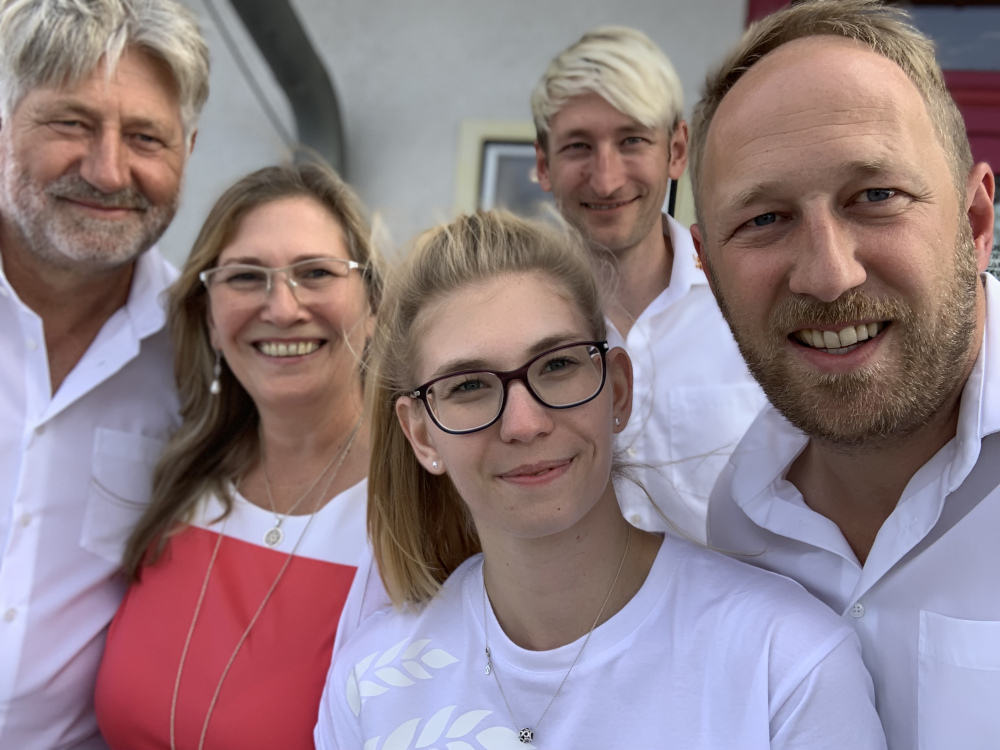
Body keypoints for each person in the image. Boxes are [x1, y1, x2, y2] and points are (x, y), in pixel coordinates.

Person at [315, 210, 886, 749]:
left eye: (557, 365)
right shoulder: (371, 685)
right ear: (420, 434)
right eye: (468, 386)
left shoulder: (782, 661)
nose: (524, 423)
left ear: (616, 390)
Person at [688, 2, 997, 748]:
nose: (829, 276)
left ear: (977, 220)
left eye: (876, 197)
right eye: (763, 219)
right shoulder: (739, 519)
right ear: (707, 267)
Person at [93, 162, 382, 750]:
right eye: (247, 277)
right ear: (209, 317)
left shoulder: (423, 509)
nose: (282, 308)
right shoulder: (182, 483)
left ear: (372, 306)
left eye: (316, 273)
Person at [0, 1, 208, 747]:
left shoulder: (208, 357)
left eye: (146, 137)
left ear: (188, 148)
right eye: (71, 124)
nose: (108, 169)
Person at [530, 26, 767, 540]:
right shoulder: (516, 328)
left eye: (632, 140)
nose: (608, 178)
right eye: (578, 147)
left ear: (676, 150)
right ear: (544, 164)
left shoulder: (752, 303)